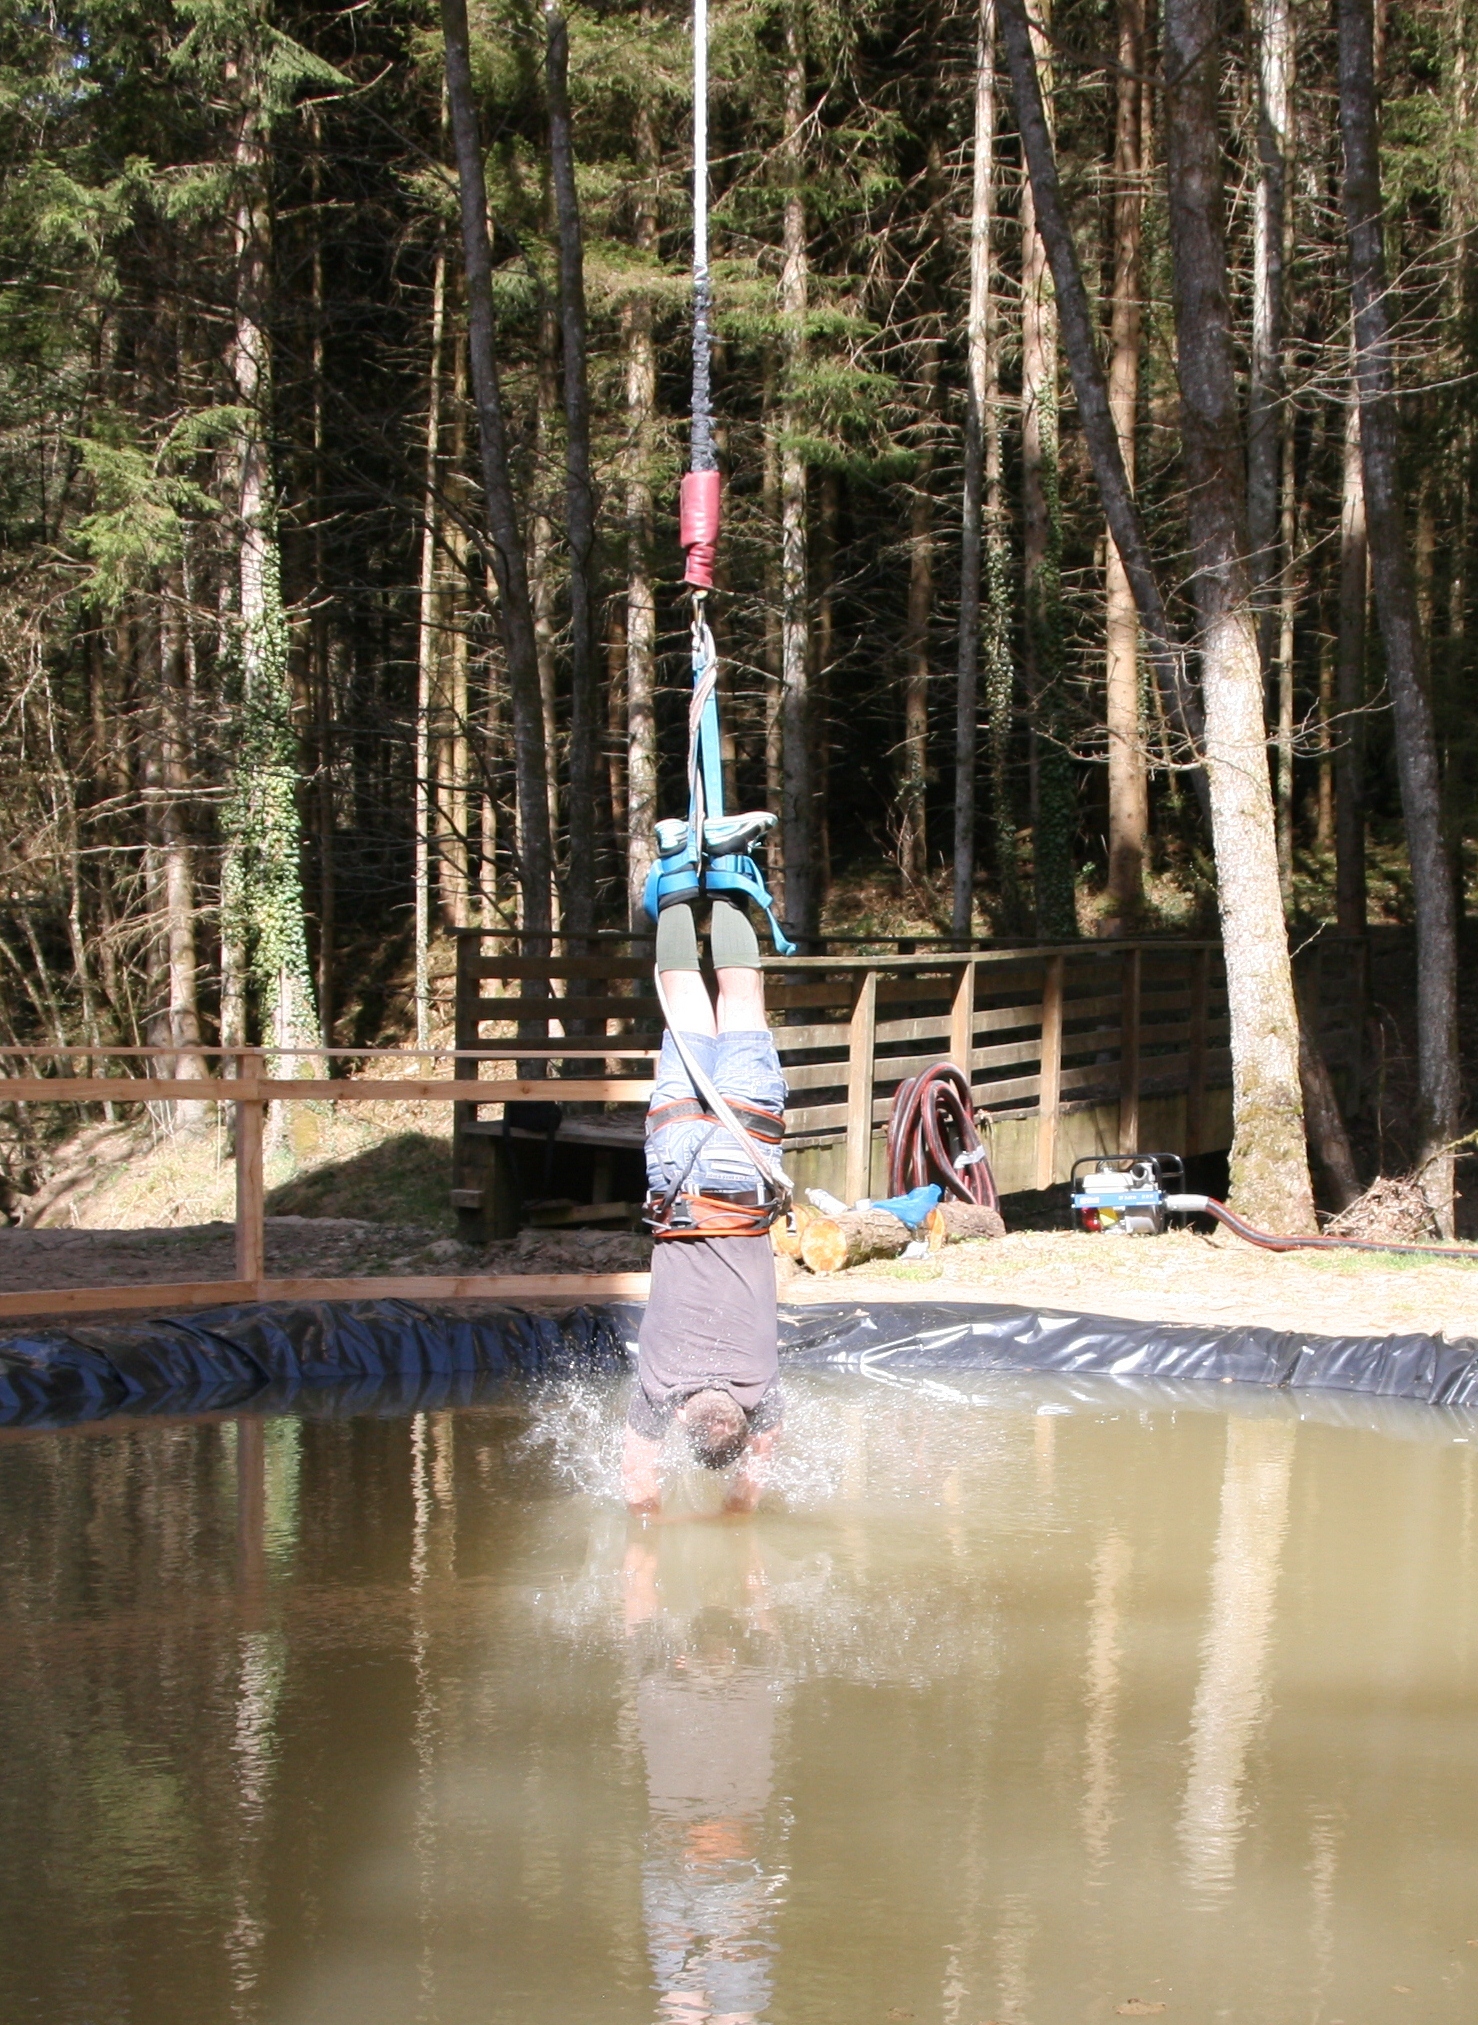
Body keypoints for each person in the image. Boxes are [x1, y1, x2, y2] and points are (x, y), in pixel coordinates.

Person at [622, 894, 786, 1517]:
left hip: (743, 1168)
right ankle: (673, 894)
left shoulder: (760, 1390)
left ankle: (729, 887)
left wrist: (739, 1511)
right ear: (680, 1420)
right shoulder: (659, 1387)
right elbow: (638, 1477)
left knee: (739, 1004)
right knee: (686, 1015)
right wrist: (650, 1525)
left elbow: (763, 1450)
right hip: (675, 1173)